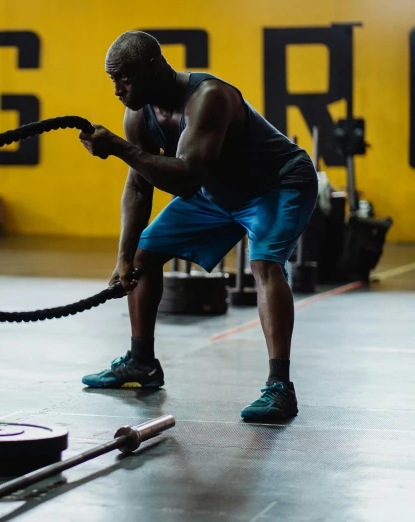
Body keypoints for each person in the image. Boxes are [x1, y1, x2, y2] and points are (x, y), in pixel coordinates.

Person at [77, 31, 318, 422]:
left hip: (276, 184)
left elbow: (186, 178)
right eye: (113, 80)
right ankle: (142, 364)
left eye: (125, 78)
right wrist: (123, 258)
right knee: (143, 255)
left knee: (265, 265)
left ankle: (280, 388)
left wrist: (121, 148)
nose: (118, 90)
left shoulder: (209, 98)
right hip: (216, 192)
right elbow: (139, 185)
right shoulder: (139, 114)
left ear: (154, 66)